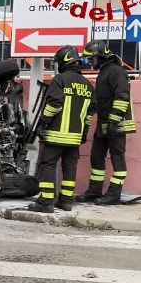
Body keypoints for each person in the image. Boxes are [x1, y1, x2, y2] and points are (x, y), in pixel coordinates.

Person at [27, 46, 97, 214]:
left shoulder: (60, 80)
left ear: (64, 62)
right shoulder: (88, 86)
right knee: (69, 167)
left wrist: (43, 123)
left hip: (56, 135)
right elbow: (90, 114)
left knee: (48, 165)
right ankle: (66, 201)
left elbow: (54, 104)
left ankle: (46, 201)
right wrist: (84, 134)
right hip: (75, 138)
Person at [77, 41, 137, 206]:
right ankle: (94, 191)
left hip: (116, 124)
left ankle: (114, 194)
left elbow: (122, 97)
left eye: (92, 58)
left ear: (100, 56)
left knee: (117, 158)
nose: (90, 62)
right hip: (104, 123)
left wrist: (114, 120)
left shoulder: (116, 72)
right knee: (96, 156)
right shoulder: (104, 72)